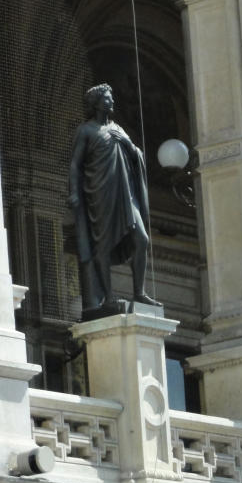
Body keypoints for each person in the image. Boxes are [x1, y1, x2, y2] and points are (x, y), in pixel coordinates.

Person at [68, 83, 159, 317]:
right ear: (96, 103)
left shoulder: (118, 129)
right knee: (103, 244)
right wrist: (74, 192)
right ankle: (108, 296)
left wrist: (129, 145)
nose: (112, 101)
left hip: (125, 194)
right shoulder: (86, 130)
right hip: (100, 193)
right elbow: (76, 164)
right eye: (107, 98)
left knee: (141, 238)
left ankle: (139, 292)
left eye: (111, 98)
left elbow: (136, 155)